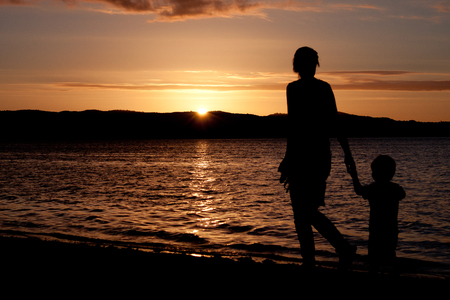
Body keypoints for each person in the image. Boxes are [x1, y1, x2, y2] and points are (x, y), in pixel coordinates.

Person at [278, 46, 357, 269]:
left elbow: (332, 121)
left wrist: (347, 153)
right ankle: (314, 259)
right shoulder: (297, 88)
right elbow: (294, 126)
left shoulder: (314, 88)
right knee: (302, 212)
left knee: (305, 211)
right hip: (309, 156)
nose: (309, 66)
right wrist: (288, 158)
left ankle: (336, 250)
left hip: (315, 156)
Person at [349, 155, 406, 271]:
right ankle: (395, 273)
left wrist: (354, 175)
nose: (372, 174)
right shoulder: (395, 189)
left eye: (374, 171)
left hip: (376, 229)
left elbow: (358, 190)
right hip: (391, 229)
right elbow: (402, 195)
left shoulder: (373, 189)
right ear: (392, 173)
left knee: (374, 257)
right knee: (390, 254)